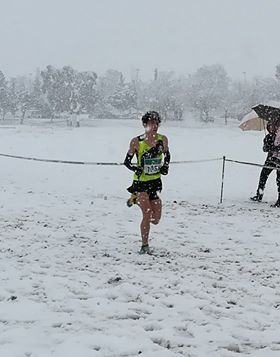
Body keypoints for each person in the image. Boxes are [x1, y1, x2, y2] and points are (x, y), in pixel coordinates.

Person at [123, 111, 170, 254]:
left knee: (156, 219)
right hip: (141, 183)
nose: (154, 126)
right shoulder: (137, 141)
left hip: (155, 182)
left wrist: (165, 166)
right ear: (145, 125)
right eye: (151, 123)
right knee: (147, 213)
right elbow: (127, 162)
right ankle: (144, 245)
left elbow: (167, 154)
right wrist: (135, 169)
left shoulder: (163, 139)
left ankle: (134, 199)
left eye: (156, 123)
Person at [250, 122, 277, 202]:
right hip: (270, 161)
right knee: (263, 177)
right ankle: (259, 195)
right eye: (270, 127)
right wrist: (267, 144)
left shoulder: (279, 136)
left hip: (278, 161)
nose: (271, 128)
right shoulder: (268, 137)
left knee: (278, 180)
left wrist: (275, 147)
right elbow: (265, 149)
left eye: (273, 127)